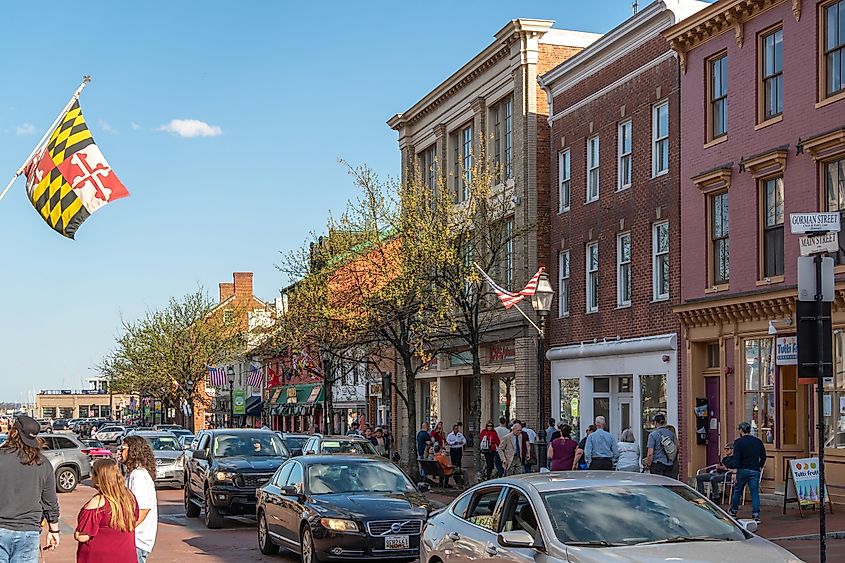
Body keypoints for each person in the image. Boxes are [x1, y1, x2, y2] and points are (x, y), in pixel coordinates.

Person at [0, 415, 61, 561]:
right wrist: (54, 529)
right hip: (28, 530)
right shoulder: (42, 463)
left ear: (13, 432)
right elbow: (50, 501)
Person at [75, 459, 139, 562]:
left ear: (99, 478)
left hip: (99, 557)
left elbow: (82, 536)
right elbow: (136, 520)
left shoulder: (98, 502)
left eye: (93, 473)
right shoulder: (129, 498)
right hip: (126, 556)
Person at [120, 436, 158, 562]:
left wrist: (127, 529)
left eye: (123, 449)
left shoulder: (138, 476)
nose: (120, 452)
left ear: (133, 451)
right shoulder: (133, 474)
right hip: (134, 541)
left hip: (137, 541)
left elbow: (143, 508)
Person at [729, 422, 767, 523]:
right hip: (754, 470)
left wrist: (734, 472)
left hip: (742, 470)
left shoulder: (738, 442)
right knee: (754, 493)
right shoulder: (758, 441)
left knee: (738, 491)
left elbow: (736, 458)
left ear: (741, 430)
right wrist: (759, 466)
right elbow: (763, 456)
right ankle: (756, 515)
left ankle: (733, 511)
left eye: (739, 430)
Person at [644, 413, 677, 477]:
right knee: (667, 486)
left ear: (655, 423)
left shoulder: (653, 435)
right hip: (669, 464)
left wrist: (648, 464)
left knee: (657, 485)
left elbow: (650, 453)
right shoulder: (670, 433)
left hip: (657, 465)